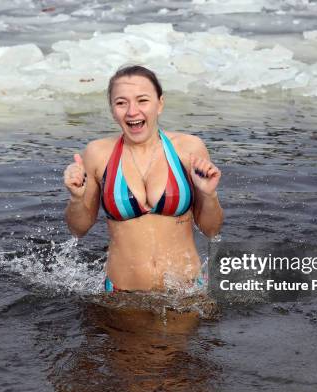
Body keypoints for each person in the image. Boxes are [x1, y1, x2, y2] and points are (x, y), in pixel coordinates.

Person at [63, 65, 223, 292]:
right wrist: (76, 199)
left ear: (160, 104)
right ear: (112, 110)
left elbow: (211, 230)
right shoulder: (98, 153)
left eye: (142, 100)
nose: (132, 111)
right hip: (121, 296)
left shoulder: (189, 148)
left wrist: (209, 195)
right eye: (121, 103)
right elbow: (78, 230)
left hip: (185, 293)